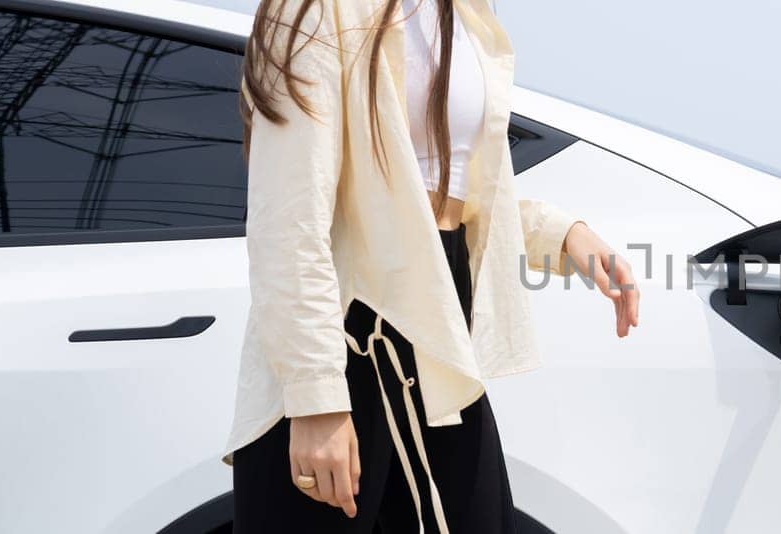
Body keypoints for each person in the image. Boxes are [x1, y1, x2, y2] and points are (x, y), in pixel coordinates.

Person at [223, 0, 641, 532]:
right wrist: (315, 398)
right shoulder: (314, 9)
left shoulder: (465, 13)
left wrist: (562, 234)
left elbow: (453, 189)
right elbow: (288, 217)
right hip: (349, 333)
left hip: (441, 329)